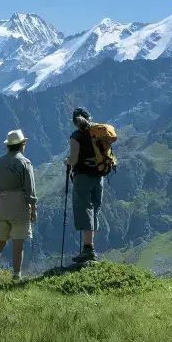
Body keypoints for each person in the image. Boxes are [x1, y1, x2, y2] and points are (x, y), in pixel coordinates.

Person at [0, 129, 38, 281]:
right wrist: (33, 209)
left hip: (2, 204)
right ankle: (16, 275)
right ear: (23, 144)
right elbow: (30, 188)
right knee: (18, 243)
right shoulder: (25, 163)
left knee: (0, 241)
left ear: (8, 146)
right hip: (19, 205)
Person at [66, 108, 102, 263]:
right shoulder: (98, 133)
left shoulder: (76, 136)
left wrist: (67, 161)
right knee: (94, 208)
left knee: (84, 208)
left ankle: (88, 248)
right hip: (98, 176)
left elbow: (73, 160)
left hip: (82, 177)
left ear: (75, 122)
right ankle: (90, 246)